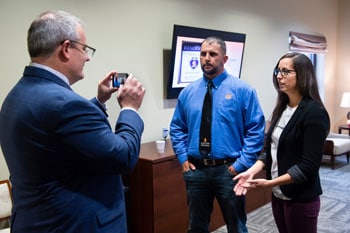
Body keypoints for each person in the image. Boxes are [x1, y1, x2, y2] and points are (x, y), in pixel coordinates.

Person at [0, 10, 145, 233]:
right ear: (66, 48)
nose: (87, 57)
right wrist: (130, 109)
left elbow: (59, 135)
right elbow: (123, 156)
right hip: (75, 224)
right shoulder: (65, 105)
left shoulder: (16, 96)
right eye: (85, 49)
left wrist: (99, 100)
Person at [170, 36, 265, 233]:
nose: (207, 58)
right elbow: (177, 128)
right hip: (196, 171)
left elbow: (256, 130)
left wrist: (241, 164)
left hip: (229, 170)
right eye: (203, 54)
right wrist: (182, 158)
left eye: (213, 54)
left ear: (224, 59)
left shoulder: (243, 90)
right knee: (196, 226)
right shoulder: (188, 92)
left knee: (237, 226)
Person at [233, 52, 330, 233]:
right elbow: (270, 150)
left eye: (286, 71)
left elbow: (308, 166)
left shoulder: (314, 112)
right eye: (278, 70)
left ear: (303, 75)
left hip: (301, 198)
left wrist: (270, 183)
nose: (279, 76)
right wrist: (251, 171)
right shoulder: (282, 107)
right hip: (279, 195)